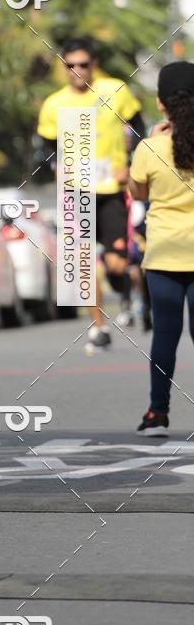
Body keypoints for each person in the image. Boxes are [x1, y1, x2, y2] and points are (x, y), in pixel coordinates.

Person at [37, 36, 145, 354]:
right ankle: (99, 327)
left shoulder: (115, 91)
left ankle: (122, 286)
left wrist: (130, 164)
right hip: (75, 191)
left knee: (114, 264)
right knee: (82, 264)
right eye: (71, 65)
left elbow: (138, 128)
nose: (77, 71)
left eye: (83, 64)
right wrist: (56, 165)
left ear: (94, 65)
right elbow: (44, 146)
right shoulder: (54, 104)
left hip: (111, 189)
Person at [128, 61, 194, 436]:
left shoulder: (151, 147)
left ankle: (158, 412)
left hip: (164, 255)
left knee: (165, 336)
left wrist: (153, 139)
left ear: (161, 103)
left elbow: (138, 193)